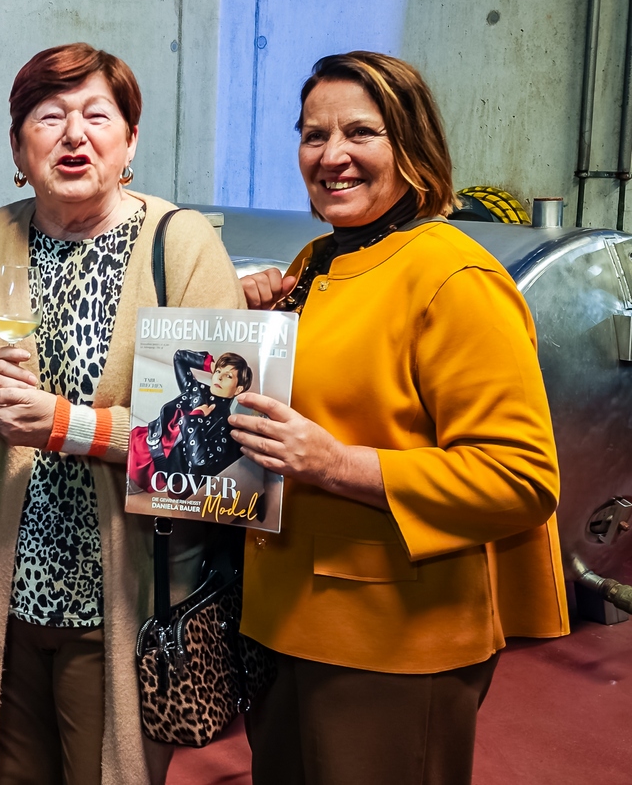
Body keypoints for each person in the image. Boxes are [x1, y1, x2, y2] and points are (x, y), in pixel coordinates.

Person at [232, 51, 570, 785]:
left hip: (392, 639)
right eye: (314, 135)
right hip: (283, 619)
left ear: (411, 144)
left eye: (361, 133)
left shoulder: (454, 276)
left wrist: (334, 463)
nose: (332, 155)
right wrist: (255, 323)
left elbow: (520, 479)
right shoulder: (317, 260)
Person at [0, 43, 243, 785]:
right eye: (49, 117)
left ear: (129, 140)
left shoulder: (181, 245)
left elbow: (217, 443)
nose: (74, 135)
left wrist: (65, 425)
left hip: (123, 593)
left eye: (97, 116)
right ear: (18, 146)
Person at [126, 349, 252, 489]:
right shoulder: (196, 390)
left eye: (228, 376)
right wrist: (210, 365)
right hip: (138, 440)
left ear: (238, 389)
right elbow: (179, 357)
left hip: (149, 471)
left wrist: (196, 416)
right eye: (218, 372)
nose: (219, 377)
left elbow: (199, 461)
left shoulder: (223, 427)